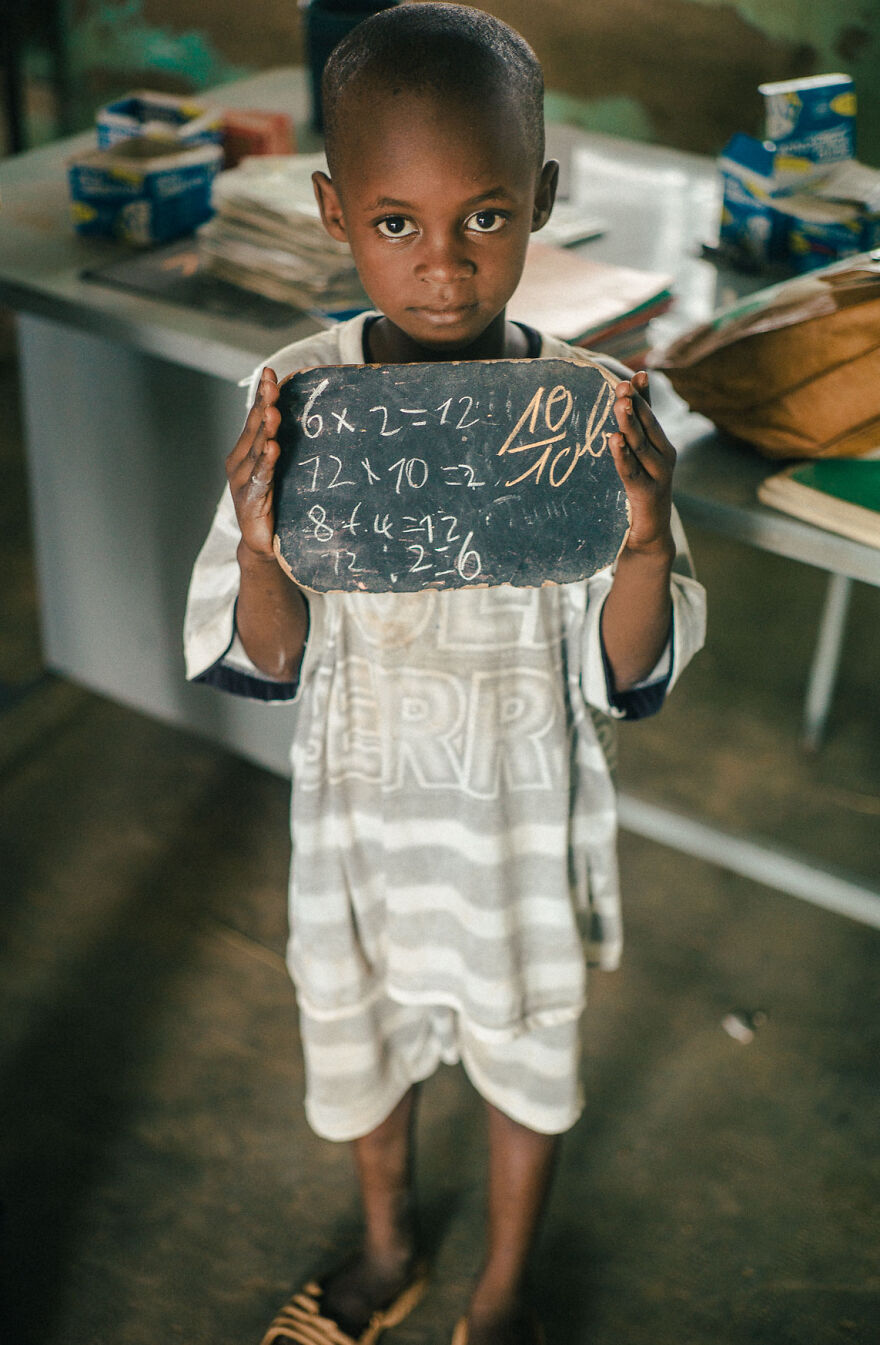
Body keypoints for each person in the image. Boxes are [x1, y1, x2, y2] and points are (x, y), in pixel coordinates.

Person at [184, 6, 706, 1343]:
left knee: (530, 1052)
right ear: (331, 209)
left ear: (542, 199)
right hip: (362, 820)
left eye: (484, 216)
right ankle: (385, 1240)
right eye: (396, 222)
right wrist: (259, 541)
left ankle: (507, 1290)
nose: (443, 267)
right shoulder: (299, 400)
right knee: (363, 1036)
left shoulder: (593, 413)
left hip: (519, 824)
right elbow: (270, 653)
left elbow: (628, 670)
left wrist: (640, 539)